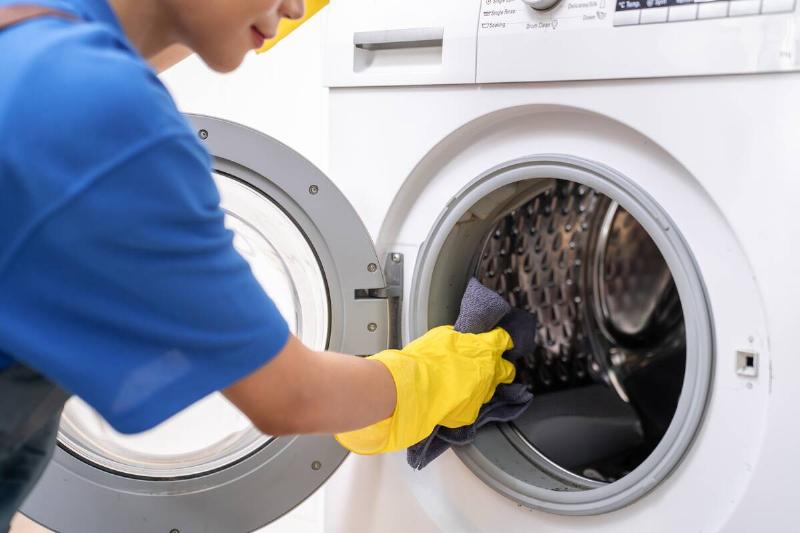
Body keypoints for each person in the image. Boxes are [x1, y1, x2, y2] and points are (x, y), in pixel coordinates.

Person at [0, 0, 517, 528]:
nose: (293, 7)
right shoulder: (105, 116)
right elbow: (290, 396)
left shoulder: (31, 41)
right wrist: (422, 381)